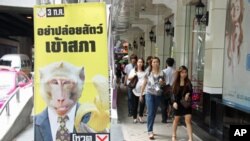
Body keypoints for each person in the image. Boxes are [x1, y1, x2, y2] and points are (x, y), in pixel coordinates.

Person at [141, 57, 165, 140]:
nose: (155, 63)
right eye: (154, 62)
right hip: (149, 94)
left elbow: (163, 85)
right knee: (150, 112)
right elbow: (144, 83)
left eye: (157, 62)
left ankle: (150, 128)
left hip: (158, 95)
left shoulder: (162, 73)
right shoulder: (148, 73)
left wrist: (162, 83)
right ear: (151, 63)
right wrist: (141, 94)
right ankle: (150, 131)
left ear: (159, 63)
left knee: (154, 113)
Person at [171, 66, 193, 141]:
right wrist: (174, 102)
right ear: (179, 73)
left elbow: (191, 91)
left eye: (185, 72)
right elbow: (172, 94)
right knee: (176, 119)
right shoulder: (175, 83)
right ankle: (174, 135)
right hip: (177, 103)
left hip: (186, 103)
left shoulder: (188, 82)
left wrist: (188, 94)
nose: (184, 74)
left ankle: (190, 138)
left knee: (188, 119)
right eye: (182, 72)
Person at [226, 0, 244, 72]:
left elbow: (236, 65)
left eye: (237, 9)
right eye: (231, 8)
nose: (234, 13)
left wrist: (236, 42)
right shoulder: (226, 35)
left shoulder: (239, 33)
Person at [128, 58, 146, 123]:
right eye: (138, 62)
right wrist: (134, 76)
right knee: (134, 104)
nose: (140, 63)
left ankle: (140, 116)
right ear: (137, 63)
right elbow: (129, 78)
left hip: (143, 91)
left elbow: (146, 81)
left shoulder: (145, 72)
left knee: (142, 104)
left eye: (141, 62)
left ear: (143, 63)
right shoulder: (133, 71)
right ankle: (134, 117)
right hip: (134, 90)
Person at [161, 58, 176, 123]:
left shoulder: (163, 71)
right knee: (173, 104)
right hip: (173, 89)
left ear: (166, 63)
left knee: (164, 105)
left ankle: (164, 119)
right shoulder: (175, 71)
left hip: (165, 89)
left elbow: (161, 81)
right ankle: (174, 118)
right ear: (173, 63)